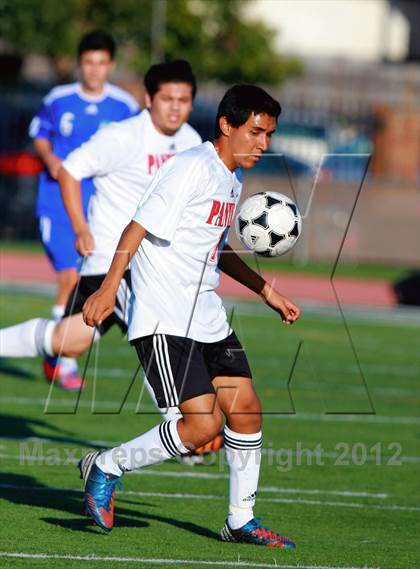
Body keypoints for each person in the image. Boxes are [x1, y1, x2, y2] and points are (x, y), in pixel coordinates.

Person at [78, 85, 301, 547]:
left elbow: (216, 249)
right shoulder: (191, 169)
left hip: (206, 316)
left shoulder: (231, 175)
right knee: (202, 427)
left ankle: (241, 520)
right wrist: (106, 287)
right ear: (227, 125)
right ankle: (105, 466)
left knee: (246, 412)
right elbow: (135, 227)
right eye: (256, 132)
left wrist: (267, 291)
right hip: (165, 319)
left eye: (269, 135)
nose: (263, 144)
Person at [29, 30, 139, 388]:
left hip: (102, 209)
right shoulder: (59, 98)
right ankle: (62, 360)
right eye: (88, 62)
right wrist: (50, 159)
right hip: (58, 204)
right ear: (80, 64)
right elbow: (39, 133)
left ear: (111, 65)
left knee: (88, 282)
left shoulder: (123, 106)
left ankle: (58, 350)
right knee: (69, 278)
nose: (94, 70)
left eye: (101, 63)